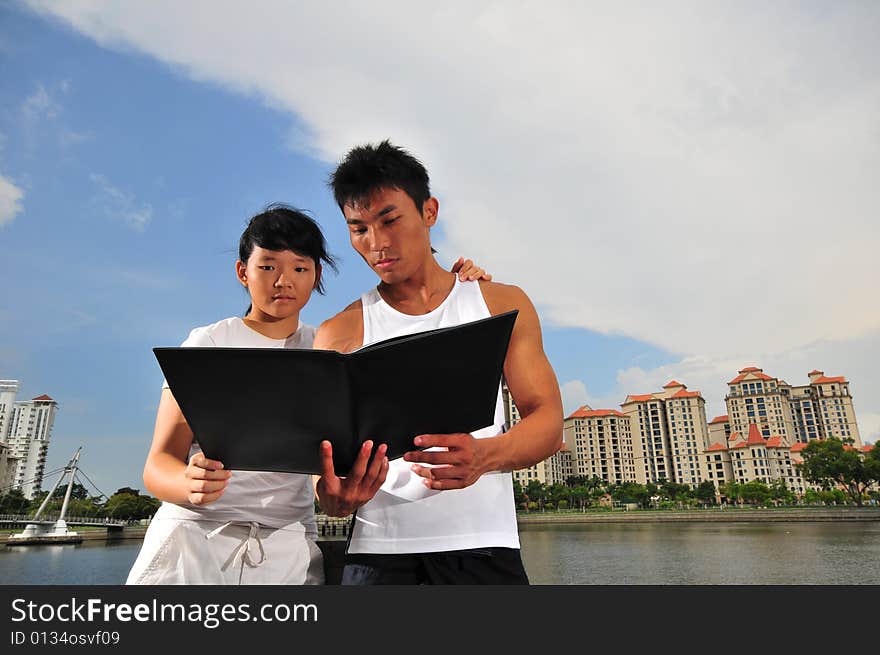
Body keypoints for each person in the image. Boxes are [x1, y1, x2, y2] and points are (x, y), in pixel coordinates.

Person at [126, 203, 490, 585]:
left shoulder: (326, 350)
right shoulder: (209, 342)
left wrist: (458, 289)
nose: (284, 281)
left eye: (300, 268)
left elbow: (326, 464)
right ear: (242, 272)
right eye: (267, 266)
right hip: (195, 541)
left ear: (316, 277)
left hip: (287, 550)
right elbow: (158, 464)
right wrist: (188, 484)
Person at [314, 140, 564, 585]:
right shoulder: (338, 332)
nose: (377, 243)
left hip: (484, 548)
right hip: (378, 554)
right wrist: (336, 497)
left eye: (390, 219)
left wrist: (484, 456)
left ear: (429, 211)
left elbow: (547, 421)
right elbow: (324, 472)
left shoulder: (501, 303)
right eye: (359, 230)